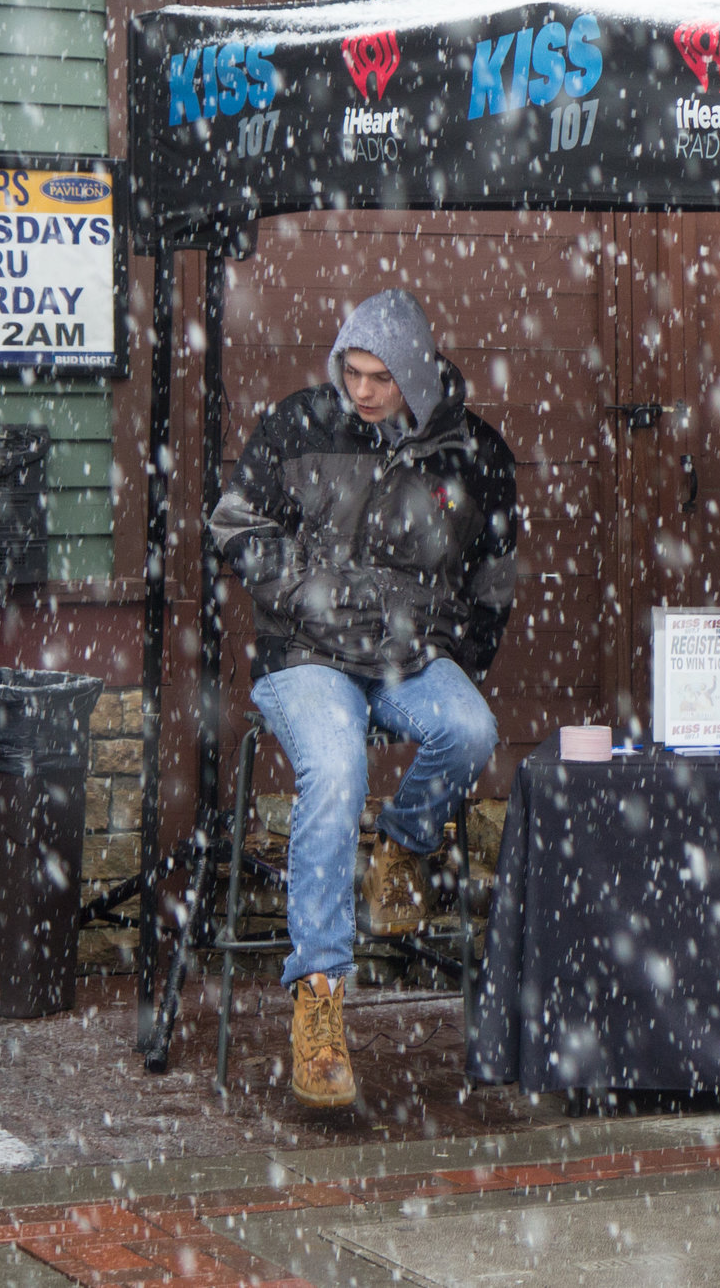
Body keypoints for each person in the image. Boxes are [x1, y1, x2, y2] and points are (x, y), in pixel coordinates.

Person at [210, 289, 519, 1108]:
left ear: (415, 373)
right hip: (306, 656)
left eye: (380, 375)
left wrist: (451, 645)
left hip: (409, 658)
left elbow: (494, 580)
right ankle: (319, 997)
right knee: (338, 768)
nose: (363, 389)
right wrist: (308, 593)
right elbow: (233, 523)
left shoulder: (473, 454)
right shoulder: (299, 423)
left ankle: (402, 848)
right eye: (352, 370)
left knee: (470, 726)